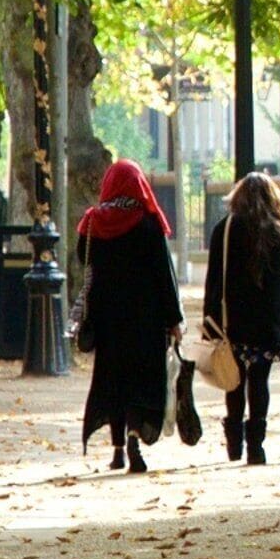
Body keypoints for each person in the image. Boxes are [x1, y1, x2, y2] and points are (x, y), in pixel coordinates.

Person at [71, 159, 180, 473]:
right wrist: (174, 320)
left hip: (107, 319)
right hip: (145, 320)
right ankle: (134, 436)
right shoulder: (147, 224)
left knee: (113, 379)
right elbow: (164, 275)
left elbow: (83, 259)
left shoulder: (93, 223)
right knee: (140, 380)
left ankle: (117, 448)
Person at [205, 171, 280, 466]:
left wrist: (210, 321)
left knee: (233, 380)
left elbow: (213, 281)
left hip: (233, 322)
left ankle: (234, 441)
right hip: (269, 323)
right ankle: (256, 444)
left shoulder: (225, 228)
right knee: (259, 380)